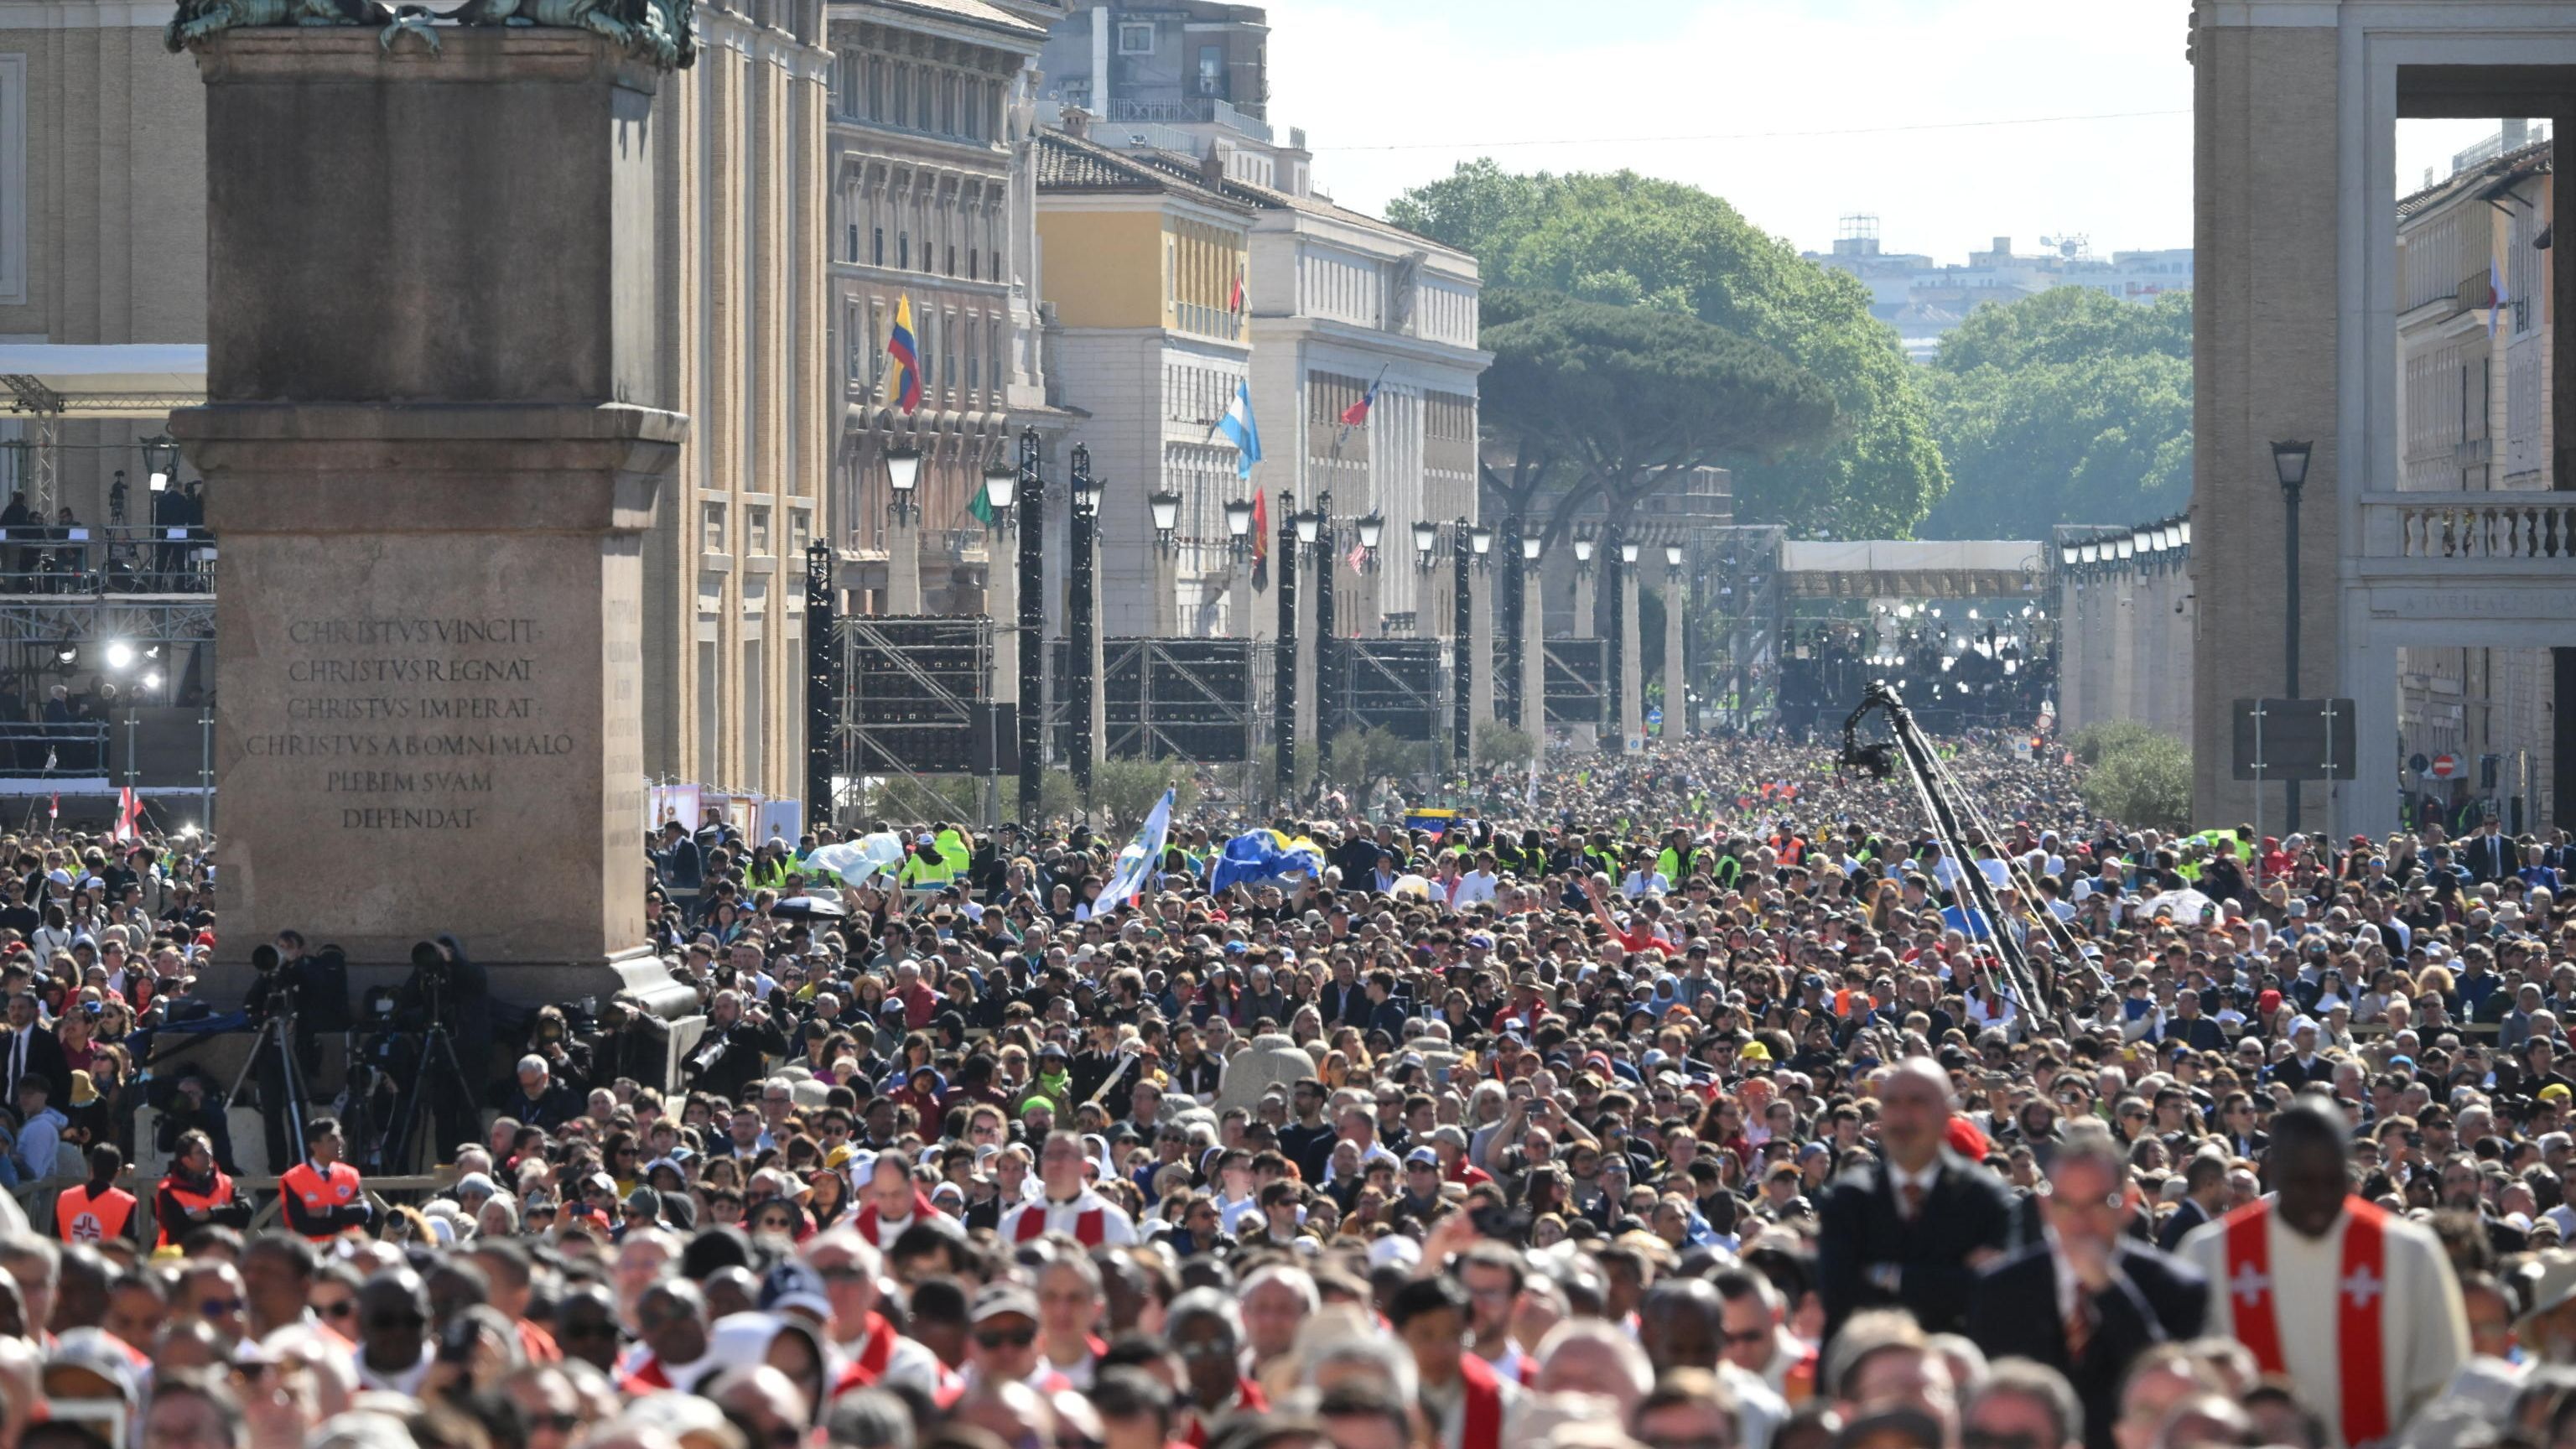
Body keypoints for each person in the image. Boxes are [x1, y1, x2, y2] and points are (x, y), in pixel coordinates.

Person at [2179, 1098, 2470, 1446]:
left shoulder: (2408, 1253)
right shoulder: (2210, 1254)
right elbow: (2188, 1392)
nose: (2317, 1197)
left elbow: (2443, 1388)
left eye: (2330, 1180)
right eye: (2302, 1182)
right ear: (2275, 1172)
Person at [1965, 1125, 2206, 1449]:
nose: (2080, 1221)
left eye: (2098, 1202)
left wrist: (2108, 1288)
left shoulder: (2177, 1287)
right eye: (2065, 1203)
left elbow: (2171, 1393)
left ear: (2127, 1203)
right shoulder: (2001, 1288)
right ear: (2046, 1205)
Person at [1816, 1057, 2016, 1341]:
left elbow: (1995, 1297)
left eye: (1917, 1102)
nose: (1903, 1116)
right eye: (1893, 1103)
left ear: (1947, 1113)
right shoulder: (1848, 1198)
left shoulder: (1985, 1198)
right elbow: (1840, 1298)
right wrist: (1951, 1277)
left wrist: (1886, 1275)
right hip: (1867, 1361)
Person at [1000, 1132, 1138, 1246]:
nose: (1054, 1163)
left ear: (1084, 1166)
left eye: (1063, 1156)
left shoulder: (1113, 1221)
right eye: (1049, 1156)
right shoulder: (1015, 1220)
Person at [278, 1115, 371, 1241]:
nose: (340, 1142)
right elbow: (302, 1226)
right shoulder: (293, 1179)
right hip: (312, 1252)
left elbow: (364, 1213)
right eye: (332, 1139)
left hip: (348, 1251)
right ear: (314, 1146)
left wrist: (329, 1211)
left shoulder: (350, 1174)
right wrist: (346, 1218)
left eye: (340, 1137)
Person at [153, 1127, 250, 1248]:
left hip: (225, 1255)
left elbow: (245, 1214)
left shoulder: (226, 1182)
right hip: (183, 1260)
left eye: (209, 1149)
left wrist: (211, 1213)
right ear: (186, 1160)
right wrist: (226, 1215)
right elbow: (179, 1231)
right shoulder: (169, 1190)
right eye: (201, 1152)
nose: (208, 1155)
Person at [52, 1143, 135, 1246]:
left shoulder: (65, 1197)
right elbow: (126, 1246)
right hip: (106, 1262)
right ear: (118, 1172)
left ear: (91, 1169)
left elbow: (55, 1239)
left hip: (69, 1260)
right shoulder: (126, 1203)